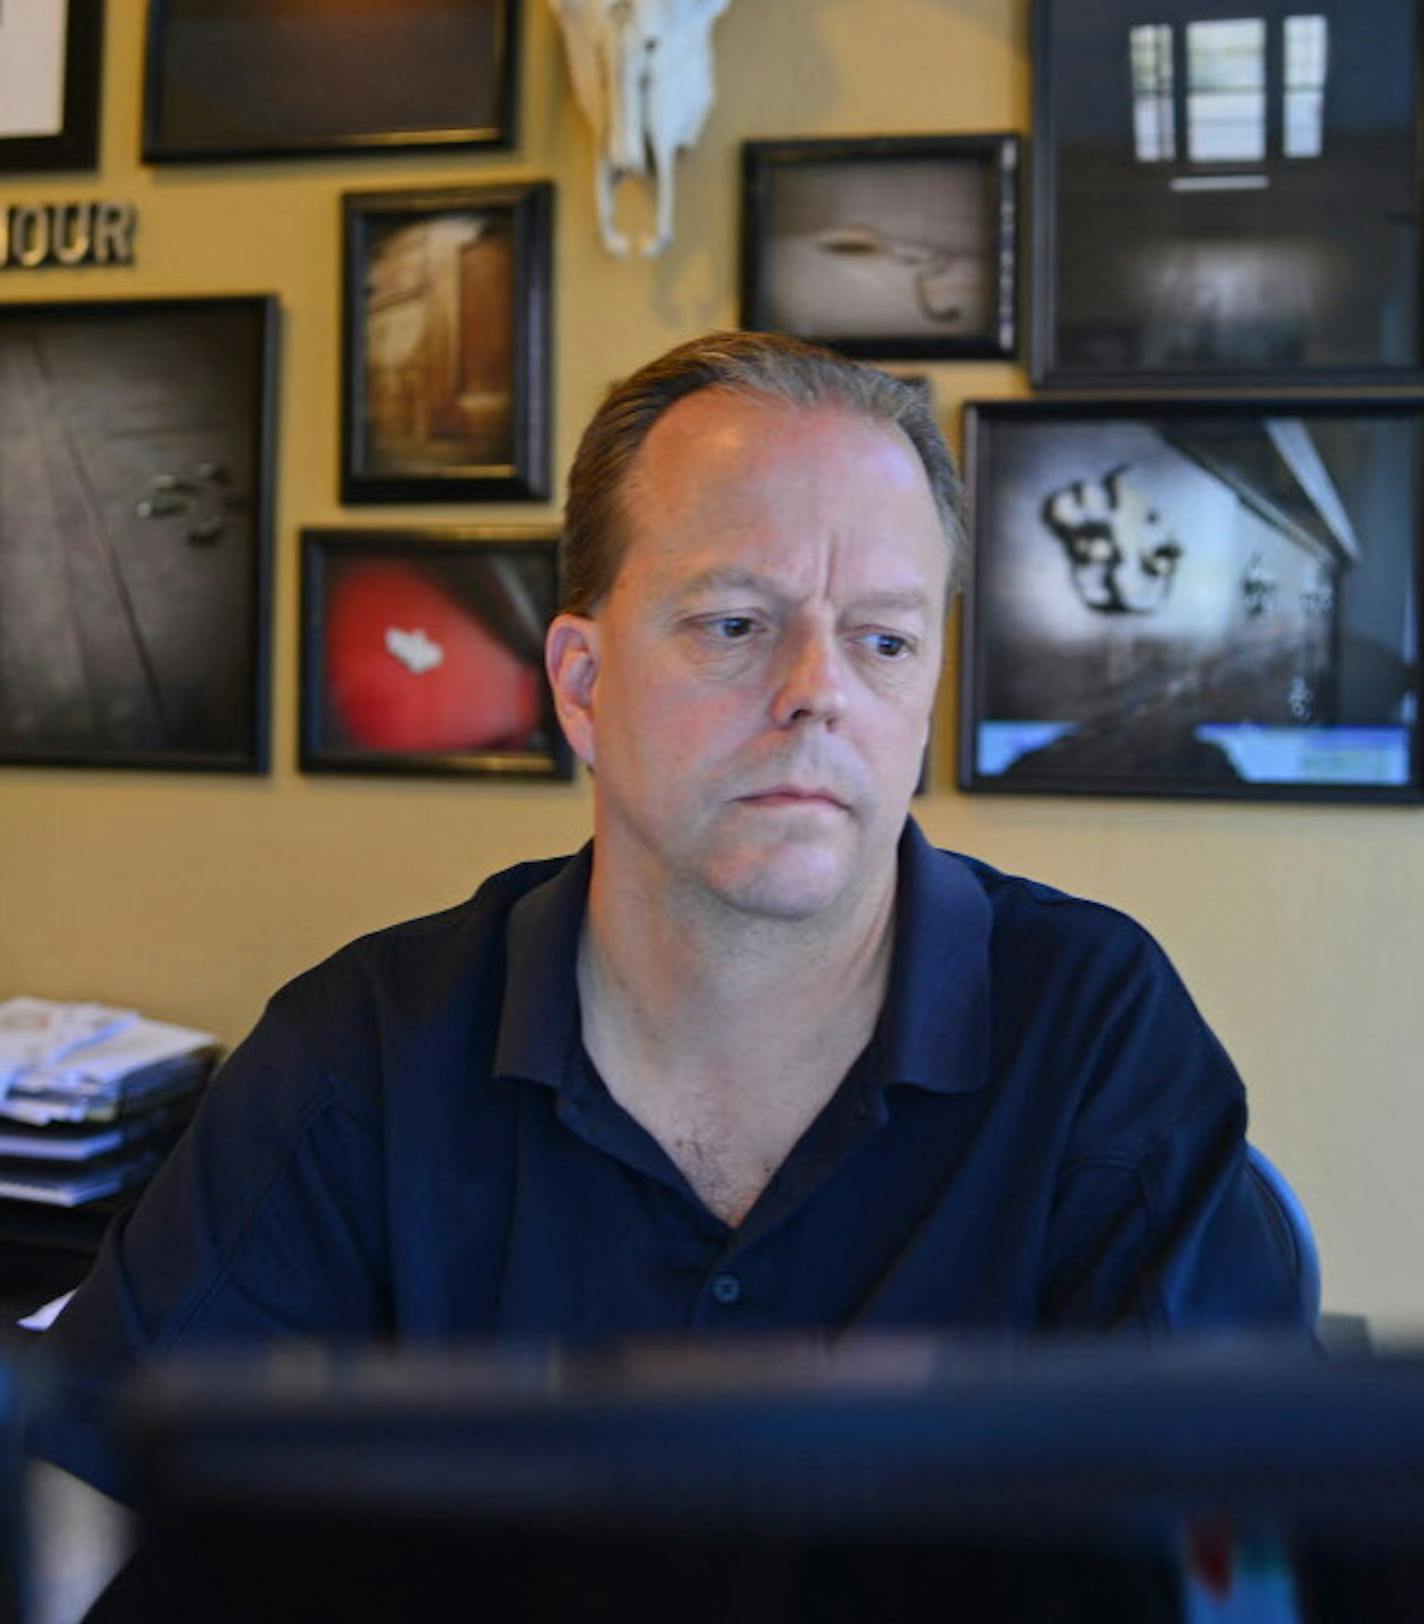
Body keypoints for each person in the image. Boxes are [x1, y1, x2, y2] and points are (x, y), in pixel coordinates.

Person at [28, 331, 1307, 1534]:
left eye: (882, 638)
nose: (818, 692)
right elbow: (84, 1491)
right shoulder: (362, 1054)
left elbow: (1243, 1542)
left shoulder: (1088, 1028)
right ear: (582, 686)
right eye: (734, 624)